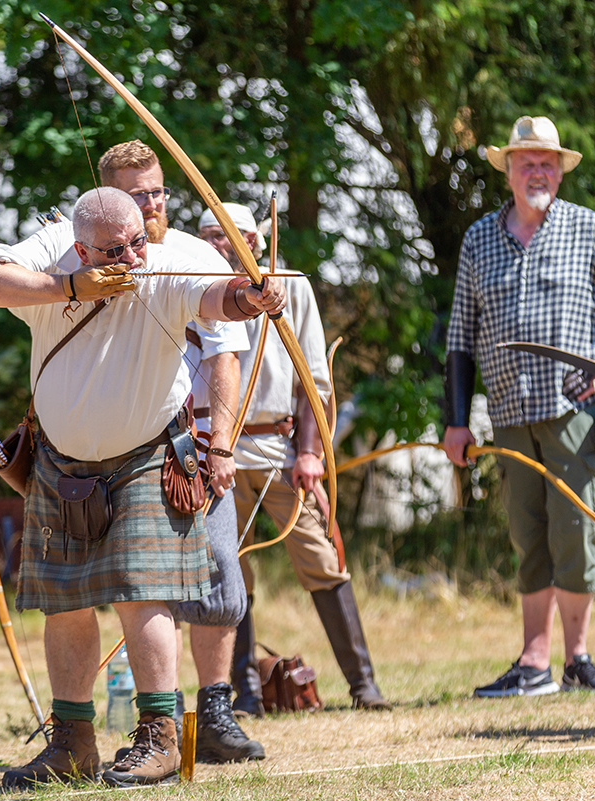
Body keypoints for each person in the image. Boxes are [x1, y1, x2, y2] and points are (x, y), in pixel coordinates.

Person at [0, 187, 285, 788]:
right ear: (82, 248)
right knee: (64, 602)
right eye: (115, 249)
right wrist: (71, 289)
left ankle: (159, 737)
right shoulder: (54, 257)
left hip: (145, 457)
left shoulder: (164, 265)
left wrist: (251, 297)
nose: (133, 256)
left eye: (138, 240)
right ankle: (72, 744)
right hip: (62, 464)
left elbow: (217, 298)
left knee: (144, 594)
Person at [443, 116, 595, 698]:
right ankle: (533, 664)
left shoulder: (585, 228)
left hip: (573, 412)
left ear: (561, 172)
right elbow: (460, 338)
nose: (538, 173)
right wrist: (455, 421)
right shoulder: (478, 239)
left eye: (547, 163)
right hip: (507, 414)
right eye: (527, 163)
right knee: (528, 535)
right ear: (508, 172)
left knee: (575, 532)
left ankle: (578, 660)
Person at [97, 140, 264, 763]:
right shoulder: (86, 257)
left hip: (194, 442)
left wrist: (221, 444)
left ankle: (215, 712)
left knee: (219, 569)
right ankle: (157, 720)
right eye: (135, 194)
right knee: (143, 583)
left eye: (158, 191)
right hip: (123, 444)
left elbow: (225, 357)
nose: (152, 204)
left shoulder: (195, 256)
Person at [198, 202, 391, 713]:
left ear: (252, 242)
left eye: (225, 235)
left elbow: (314, 380)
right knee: (227, 572)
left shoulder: (291, 286)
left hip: (279, 450)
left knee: (323, 560)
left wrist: (309, 452)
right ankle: (245, 694)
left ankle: (363, 686)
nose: (216, 244)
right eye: (208, 235)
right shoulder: (192, 285)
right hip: (217, 454)